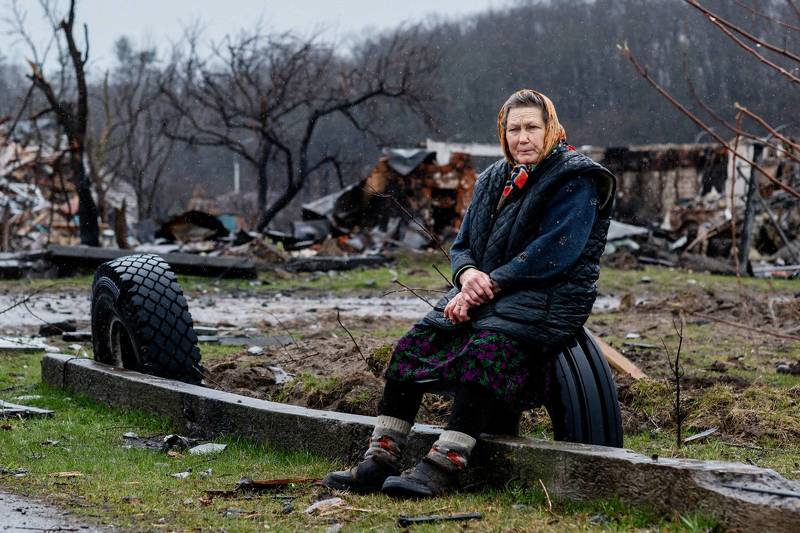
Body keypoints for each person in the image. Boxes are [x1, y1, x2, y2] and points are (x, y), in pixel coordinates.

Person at [323, 89, 616, 498]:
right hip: (487, 292)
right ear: (503, 133)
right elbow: (463, 245)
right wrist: (467, 275)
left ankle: (444, 464)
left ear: (551, 128)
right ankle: (380, 458)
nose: (522, 137)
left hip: (549, 296)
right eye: (514, 129)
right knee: (413, 347)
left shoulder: (575, 178)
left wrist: (487, 285)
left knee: (486, 352)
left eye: (532, 127)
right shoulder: (494, 177)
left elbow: (554, 252)